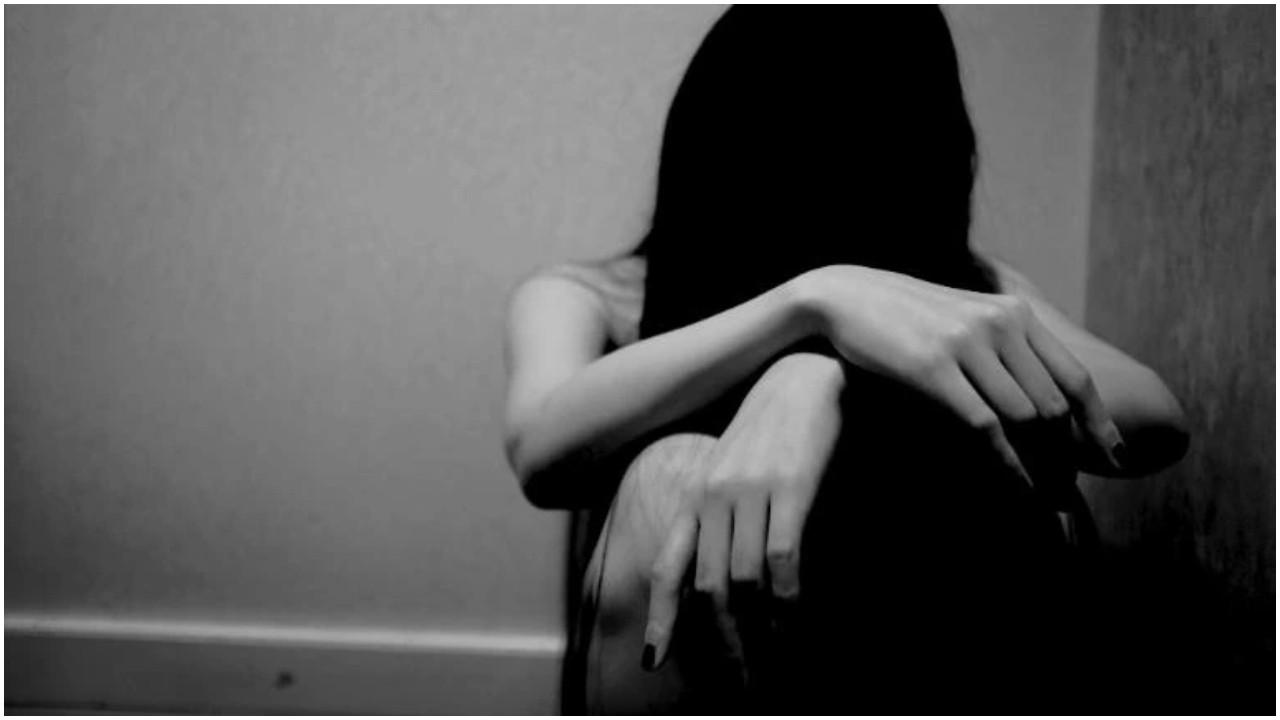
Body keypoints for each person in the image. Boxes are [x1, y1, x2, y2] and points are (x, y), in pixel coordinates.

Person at [502, 6, 1188, 713]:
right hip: (717, 669)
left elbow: (1151, 415)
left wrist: (826, 375)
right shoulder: (598, 296)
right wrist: (812, 304)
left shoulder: (967, 293)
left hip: (909, 638)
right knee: (667, 476)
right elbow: (541, 449)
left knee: (1012, 488)